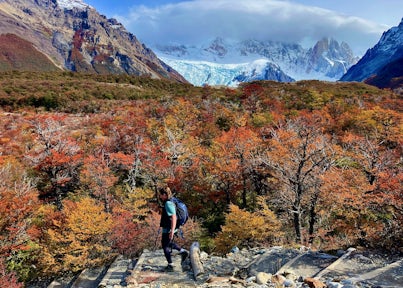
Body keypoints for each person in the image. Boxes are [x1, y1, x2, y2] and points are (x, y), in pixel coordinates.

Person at [158, 186, 189, 272]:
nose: (160, 196)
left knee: (165, 245)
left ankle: (170, 265)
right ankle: (183, 251)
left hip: (169, 227)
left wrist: (172, 230)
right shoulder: (172, 200)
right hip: (169, 226)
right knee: (168, 243)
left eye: (160, 195)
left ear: (164, 194)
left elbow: (174, 217)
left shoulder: (168, 203)